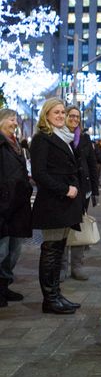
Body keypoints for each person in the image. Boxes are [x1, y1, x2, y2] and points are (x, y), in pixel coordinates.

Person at [30, 98, 83, 314]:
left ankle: (56, 295)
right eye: (56, 113)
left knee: (58, 250)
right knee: (51, 251)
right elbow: (39, 174)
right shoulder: (42, 139)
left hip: (64, 205)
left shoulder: (64, 137)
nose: (61, 116)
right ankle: (50, 299)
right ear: (46, 115)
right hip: (53, 204)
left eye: (63, 112)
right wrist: (65, 189)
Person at [62, 106, 100, 281]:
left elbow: (92, 165)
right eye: (71, 116)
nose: (74, 119)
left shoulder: (84, 138)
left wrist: (95, 191)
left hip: (83, 189)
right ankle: (61, 267)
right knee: (62, 228)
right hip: (64, 188)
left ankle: (77, 265)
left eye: (77, 117)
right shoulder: (59, 136)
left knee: (80, 226)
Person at [0, 109, 33, 306]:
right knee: (2, 250)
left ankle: (4, 285)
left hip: (18, 205)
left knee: (14, 250)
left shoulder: (16, 145)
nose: (14, 122)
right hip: (4, 205)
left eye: (15, 119)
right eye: (11, 119)